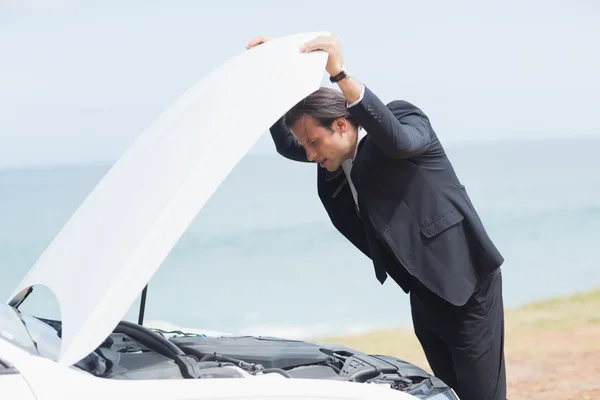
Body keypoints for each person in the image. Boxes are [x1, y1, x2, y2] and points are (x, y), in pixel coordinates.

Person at [246, 34, 507, 400]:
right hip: (423, 291)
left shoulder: (402, 120)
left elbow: (397, 140)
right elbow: (287, 143)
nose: (307, 155)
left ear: (340, 124)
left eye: (313, 143)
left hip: (466, 282)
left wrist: (337, 73)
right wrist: (271, 76)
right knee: (451, 394)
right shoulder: (330, 159)